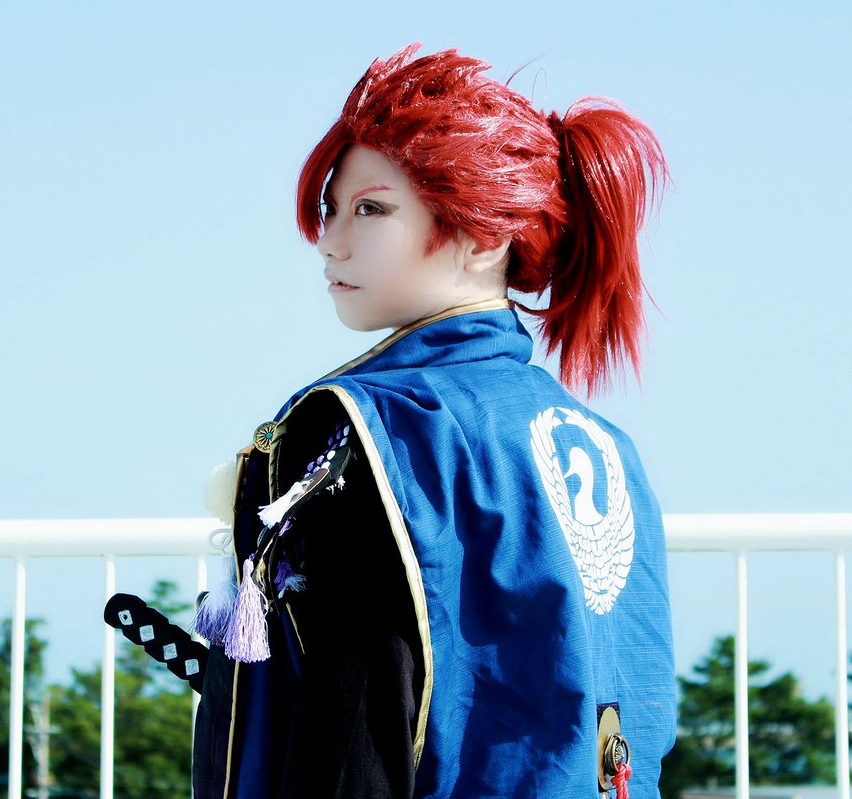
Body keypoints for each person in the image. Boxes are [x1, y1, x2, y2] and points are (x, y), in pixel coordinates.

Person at [188, 41, 676, 798]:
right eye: (331, 209)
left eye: (371, 209)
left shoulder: (374, 429)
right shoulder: (608, 445)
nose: (329, 240)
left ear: (484, 235)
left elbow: (353, 741)